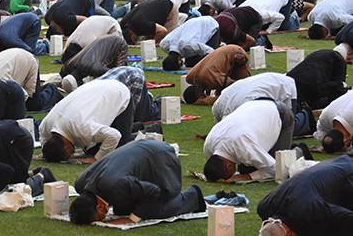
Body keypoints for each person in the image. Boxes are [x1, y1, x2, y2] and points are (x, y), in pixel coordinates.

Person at [70, 140, 205, 224]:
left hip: (160, 157)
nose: (104, 219)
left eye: (100, 218)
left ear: (99, 207)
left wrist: (132, 219)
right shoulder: (81, 184)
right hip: (139, 152)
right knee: (124, 208)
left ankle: (193, 197)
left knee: (153, 210)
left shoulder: (117, 186)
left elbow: (154, 191)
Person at [257, 154, 353, 236]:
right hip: (329, 168)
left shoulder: (310, 211)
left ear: (289, 233)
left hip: (348, 173)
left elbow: (348, 218)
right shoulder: (264, 207)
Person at [39, 79, 133, 162]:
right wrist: (46, 151)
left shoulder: (82, 128)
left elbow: (114, 136)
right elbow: (43, 136)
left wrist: (96, 159)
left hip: (119, 92)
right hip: (97, 87)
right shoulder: (46, 126)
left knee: (119, 151)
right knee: (91, 149)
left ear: (67, 148)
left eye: (68, 155)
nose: (72, 155)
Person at [203, 99, 294, 182]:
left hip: (280, 113)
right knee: (249, 169)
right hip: (252, 104)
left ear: (228, 167)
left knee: (283, 164)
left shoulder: (244, 148)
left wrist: (248, 177)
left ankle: (300, 149)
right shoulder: (208, 146)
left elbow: (276, 169)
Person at [60, 35, 128, 91]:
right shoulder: (69, 65)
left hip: (118, 44)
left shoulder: (87, 66)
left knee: (118, 75)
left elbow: (117, 73)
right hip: (110, 41)